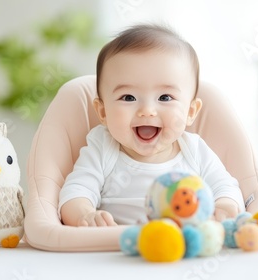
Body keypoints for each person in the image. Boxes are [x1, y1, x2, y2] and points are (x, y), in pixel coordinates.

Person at [58, 24, 244, 227]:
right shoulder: (102, 147)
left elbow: (226, 187)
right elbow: (75, 192)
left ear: (190, 112)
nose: (147, 110)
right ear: (103, 112)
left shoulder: (194, 150)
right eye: (128, 97)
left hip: (183, 246)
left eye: (165, 97)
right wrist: (84, 214)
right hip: (117, 247)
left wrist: (225, 205)